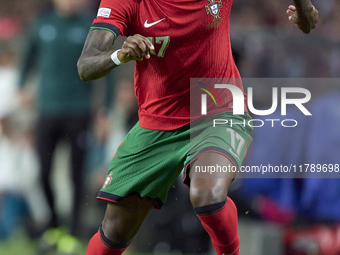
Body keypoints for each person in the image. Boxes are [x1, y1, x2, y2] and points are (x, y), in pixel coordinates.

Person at [77, 0, 318, 254]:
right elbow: (86, 65)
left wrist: (304, 10)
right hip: (157, 123)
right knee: (114, 231)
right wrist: (119, 55)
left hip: (218, 110)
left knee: (207, 195)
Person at [18, 0, 113, 253]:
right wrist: (22, 87)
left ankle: (72, 232)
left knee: (76, 175)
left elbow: (108, 67)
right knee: (42, 172)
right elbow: (28, 58)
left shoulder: (89, 27)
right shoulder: (43, 24)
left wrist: (104, 110)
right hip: (47, 110)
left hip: (79, 111)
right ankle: (52, 227)